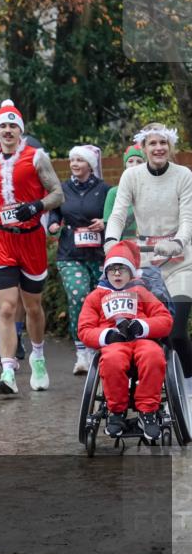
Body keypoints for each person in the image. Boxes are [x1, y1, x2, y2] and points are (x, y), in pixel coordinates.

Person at [0, 99, 63, 395]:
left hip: (31, 240)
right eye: (3, 126)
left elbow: (58, 194)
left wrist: (36, 206)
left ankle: (38, 356)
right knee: (7, 307)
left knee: (33, 308)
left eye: (13, 125)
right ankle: (8, 371)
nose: (8, 130)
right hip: (0, 240)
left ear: (20, 130)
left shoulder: (37, 158)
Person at [105, 123, 192, 393]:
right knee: (149, 330)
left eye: (163, 143)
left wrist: (178, 242)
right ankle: (152, 383)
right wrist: (111, 241)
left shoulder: (183, 175)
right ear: (143, 148)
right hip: (145, 262)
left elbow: (188, 217)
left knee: (176, 332)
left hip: (181, 262)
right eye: (152, 143)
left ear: (170, 146)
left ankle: (189, 388)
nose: (158, 148)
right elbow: (118, 213)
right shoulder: (131, 176)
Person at [77, 240, 172, 441]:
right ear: (106, 273)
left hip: (142, 339)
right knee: (112, 359)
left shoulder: (142, 292)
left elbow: (165, 319)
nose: (117, 273)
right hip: (114, 342)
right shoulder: (95, 297)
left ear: (131, 273)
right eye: (112, 269)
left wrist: (143, 326)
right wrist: (106, 335)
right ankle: (116, 412)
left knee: (153, 355)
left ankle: (147, 412)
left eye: (122, 269)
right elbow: (85, 330)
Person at [47, 144, 110, 375]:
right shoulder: (62, 189)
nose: (74, 164)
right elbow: (54, 211)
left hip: (99, 255)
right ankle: (82, 352)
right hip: (70, 254)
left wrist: (104, 222)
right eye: (72, 160)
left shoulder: (104, 189)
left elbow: (116, 214)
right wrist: (53, 224)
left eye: (80, 160)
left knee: (99, 301)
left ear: (90, 165)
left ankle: (99, 348)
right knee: (79, 295)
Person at [103, 145, 144, 242]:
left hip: (148, 246)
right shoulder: (114, 193)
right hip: (123, 245)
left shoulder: (152, 190)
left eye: (139, 161)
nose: (134, 165)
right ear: (125, 165)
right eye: (130, 161)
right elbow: (108, 225)